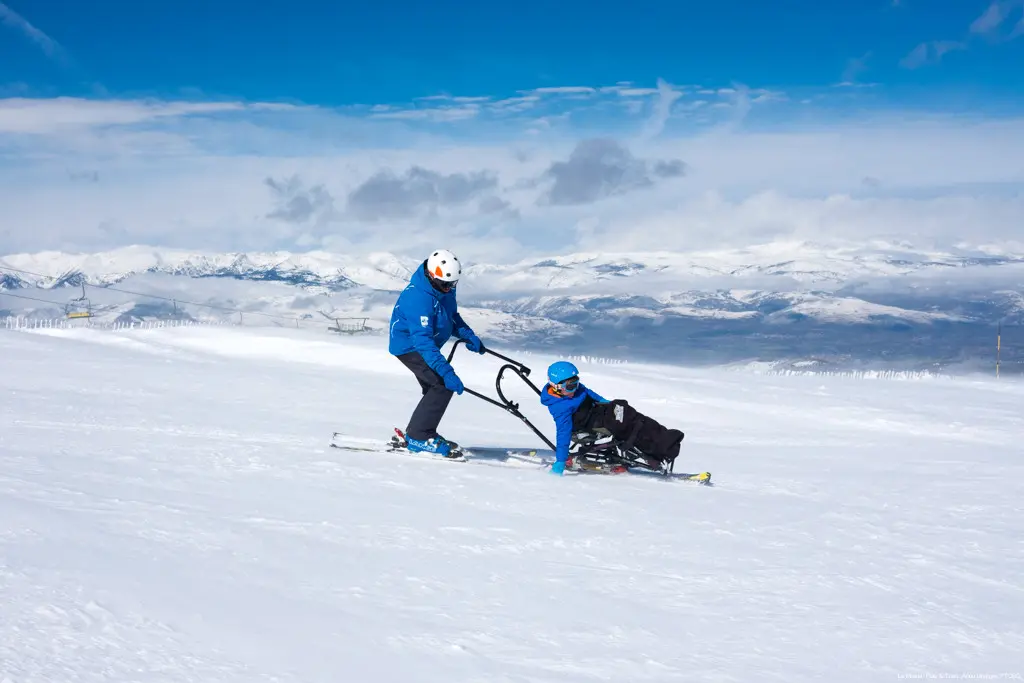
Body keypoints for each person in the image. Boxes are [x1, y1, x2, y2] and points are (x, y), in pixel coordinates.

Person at [389, 248, 485, 457]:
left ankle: (422, 431)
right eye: (444, 284)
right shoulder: (417, 298)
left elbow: (451, 316)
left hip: (427, 343)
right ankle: (419, 436)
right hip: (409, 347)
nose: (448, 288)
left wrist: (468, 335)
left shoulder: (444, 288)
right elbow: (422, 342)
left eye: (452, 284)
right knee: (441, 384)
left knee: (435, 389)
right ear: (432, 276)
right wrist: (447, 371)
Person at [540, 360, 684, 475]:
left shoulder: (574, 389)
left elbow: (589, 393)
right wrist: (560, 461)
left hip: (600, 413)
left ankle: (666, 441)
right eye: (570, 387)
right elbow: (563, 432)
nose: (575, 388)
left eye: (576, 384)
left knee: (632, 416)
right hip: (589, 427)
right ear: (556, 387)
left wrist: (608, 404)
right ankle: (660, 450)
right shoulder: (560, 408)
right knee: (628, 425)